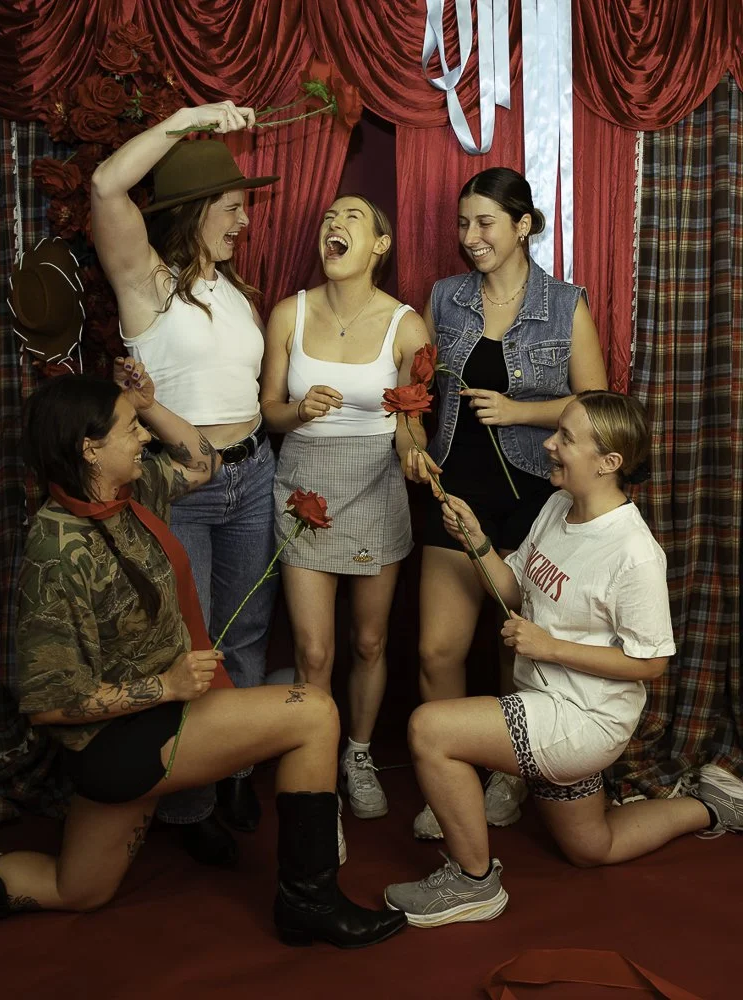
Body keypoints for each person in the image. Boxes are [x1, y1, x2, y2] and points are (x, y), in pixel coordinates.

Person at [0, 362, 406, 950]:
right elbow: (49, 704)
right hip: (122, 739)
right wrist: (166, 685)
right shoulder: (56, 548)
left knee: (77, 888)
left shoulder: (131, 494)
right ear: (90, 450)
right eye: (129, 428)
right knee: (313, 711)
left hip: (139, 730)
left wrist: (149, 405)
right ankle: (308, 905)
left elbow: (203, 460)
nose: (143, 437)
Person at [384, 391, 743, 927]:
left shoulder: (633, 553)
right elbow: (512, 593)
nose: (549, 444)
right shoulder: (557, 507)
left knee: (431, 729)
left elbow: (651, 664)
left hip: (586, 720)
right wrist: (480, 543)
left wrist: (549, 647)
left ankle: (474, 882)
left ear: (609, 462)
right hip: (545, 703)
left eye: (565, 438)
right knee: (591, 846)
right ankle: (714, 805)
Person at [91, 101, 276, 849]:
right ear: (197, 208)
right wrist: (192, 117)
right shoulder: (149, 285)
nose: (243, 223)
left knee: (249, 629)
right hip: (181, 484)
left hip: (253, 474)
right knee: (189, 643)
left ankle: (237, 774)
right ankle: (189, 804)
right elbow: (107, 186)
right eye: (233, 209)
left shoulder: (235, 291)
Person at [408, 167, 608, 839]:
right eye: (463, 223)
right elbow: (414, 387)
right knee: (438, 652)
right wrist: (410, 430)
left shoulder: (564, 302)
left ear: (523, 226)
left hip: (531, 498)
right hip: (455, 493)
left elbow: (597, 404)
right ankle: (450, 779)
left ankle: (504, 773)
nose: (470, 237)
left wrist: (521, 410)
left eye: (485, 222)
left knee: (513, 649)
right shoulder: (444, 298)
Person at [260, 195, 430, 820]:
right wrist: (296, 412)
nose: (335, 224)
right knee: (314, 653)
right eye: (329, 217)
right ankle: (314, 770)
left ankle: (357, 754)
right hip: (302, 484)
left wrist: (415, 454)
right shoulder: (288, 314)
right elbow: (267, 410)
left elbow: (411, 421)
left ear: (380, 245)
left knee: (368, 640)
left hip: (376, 488)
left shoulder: (407, 327)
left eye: (353, 217)